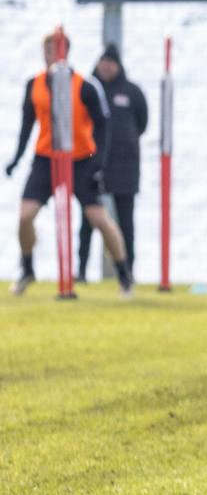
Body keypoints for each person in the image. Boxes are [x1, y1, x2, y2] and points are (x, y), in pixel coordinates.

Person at [6, 31, 133, 297]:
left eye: (56, 48)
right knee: (25, 216)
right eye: (47, 48)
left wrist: (98, 163)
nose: (50, 54)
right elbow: (27, 124)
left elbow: (103, 124)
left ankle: (124, 273)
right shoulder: (35, 84)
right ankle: (27, 269)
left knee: (98, 218)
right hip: (45, 157)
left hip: (80, 159)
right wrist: (16, 158)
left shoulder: (84, 86)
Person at [75, 44, 147, 283]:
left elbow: (142, 122)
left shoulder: (132, 92)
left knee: (126, 222)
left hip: (125, 167)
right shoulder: (88, 90)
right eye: (102, 61)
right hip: (93, 164)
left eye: (110, 62)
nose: (106, 66)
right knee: (89, 219)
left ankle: (127, 271)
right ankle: (81, 271)